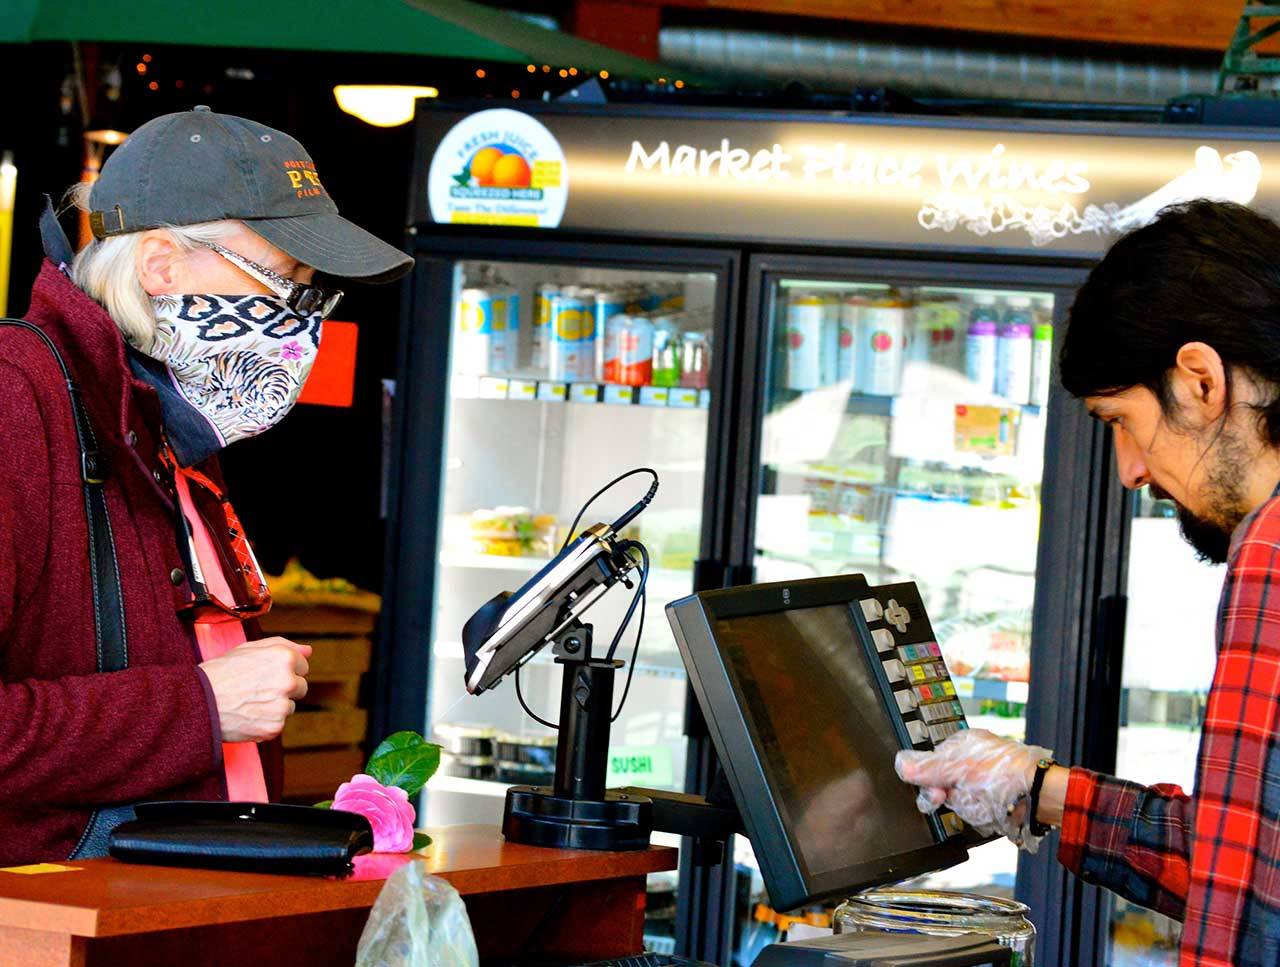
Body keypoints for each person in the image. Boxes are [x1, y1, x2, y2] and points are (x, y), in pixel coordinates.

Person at [0, 106, 411, 864]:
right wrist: (200, 705)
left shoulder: (164, 418)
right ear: (161, 265)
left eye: (313, 293)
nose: (301, 324)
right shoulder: (18, 400)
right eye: (283, 282)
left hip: (178, 910)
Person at [896, 199, 1280, 966]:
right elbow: (1240, 854)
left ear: (1201, 381)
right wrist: (1028, 784)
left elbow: (1245, 927)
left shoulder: (1271, 550)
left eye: (1120, 421)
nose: (1132, 470)